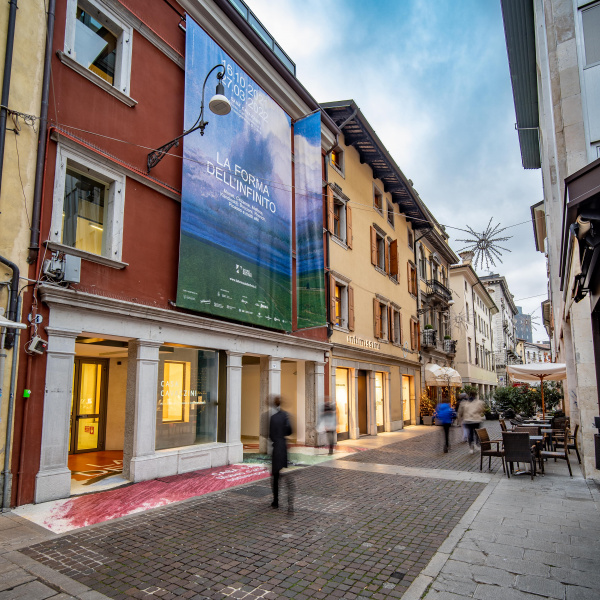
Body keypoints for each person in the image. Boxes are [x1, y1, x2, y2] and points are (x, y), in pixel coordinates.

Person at [269, 396, 293, 510]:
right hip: (283, 446)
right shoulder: (285, 415)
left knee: (275, 475)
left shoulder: (273, 418)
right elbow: (289, 431)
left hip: (276, 446)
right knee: (278, 472)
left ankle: (276, 500)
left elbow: (271, 435)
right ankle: (281, 498)